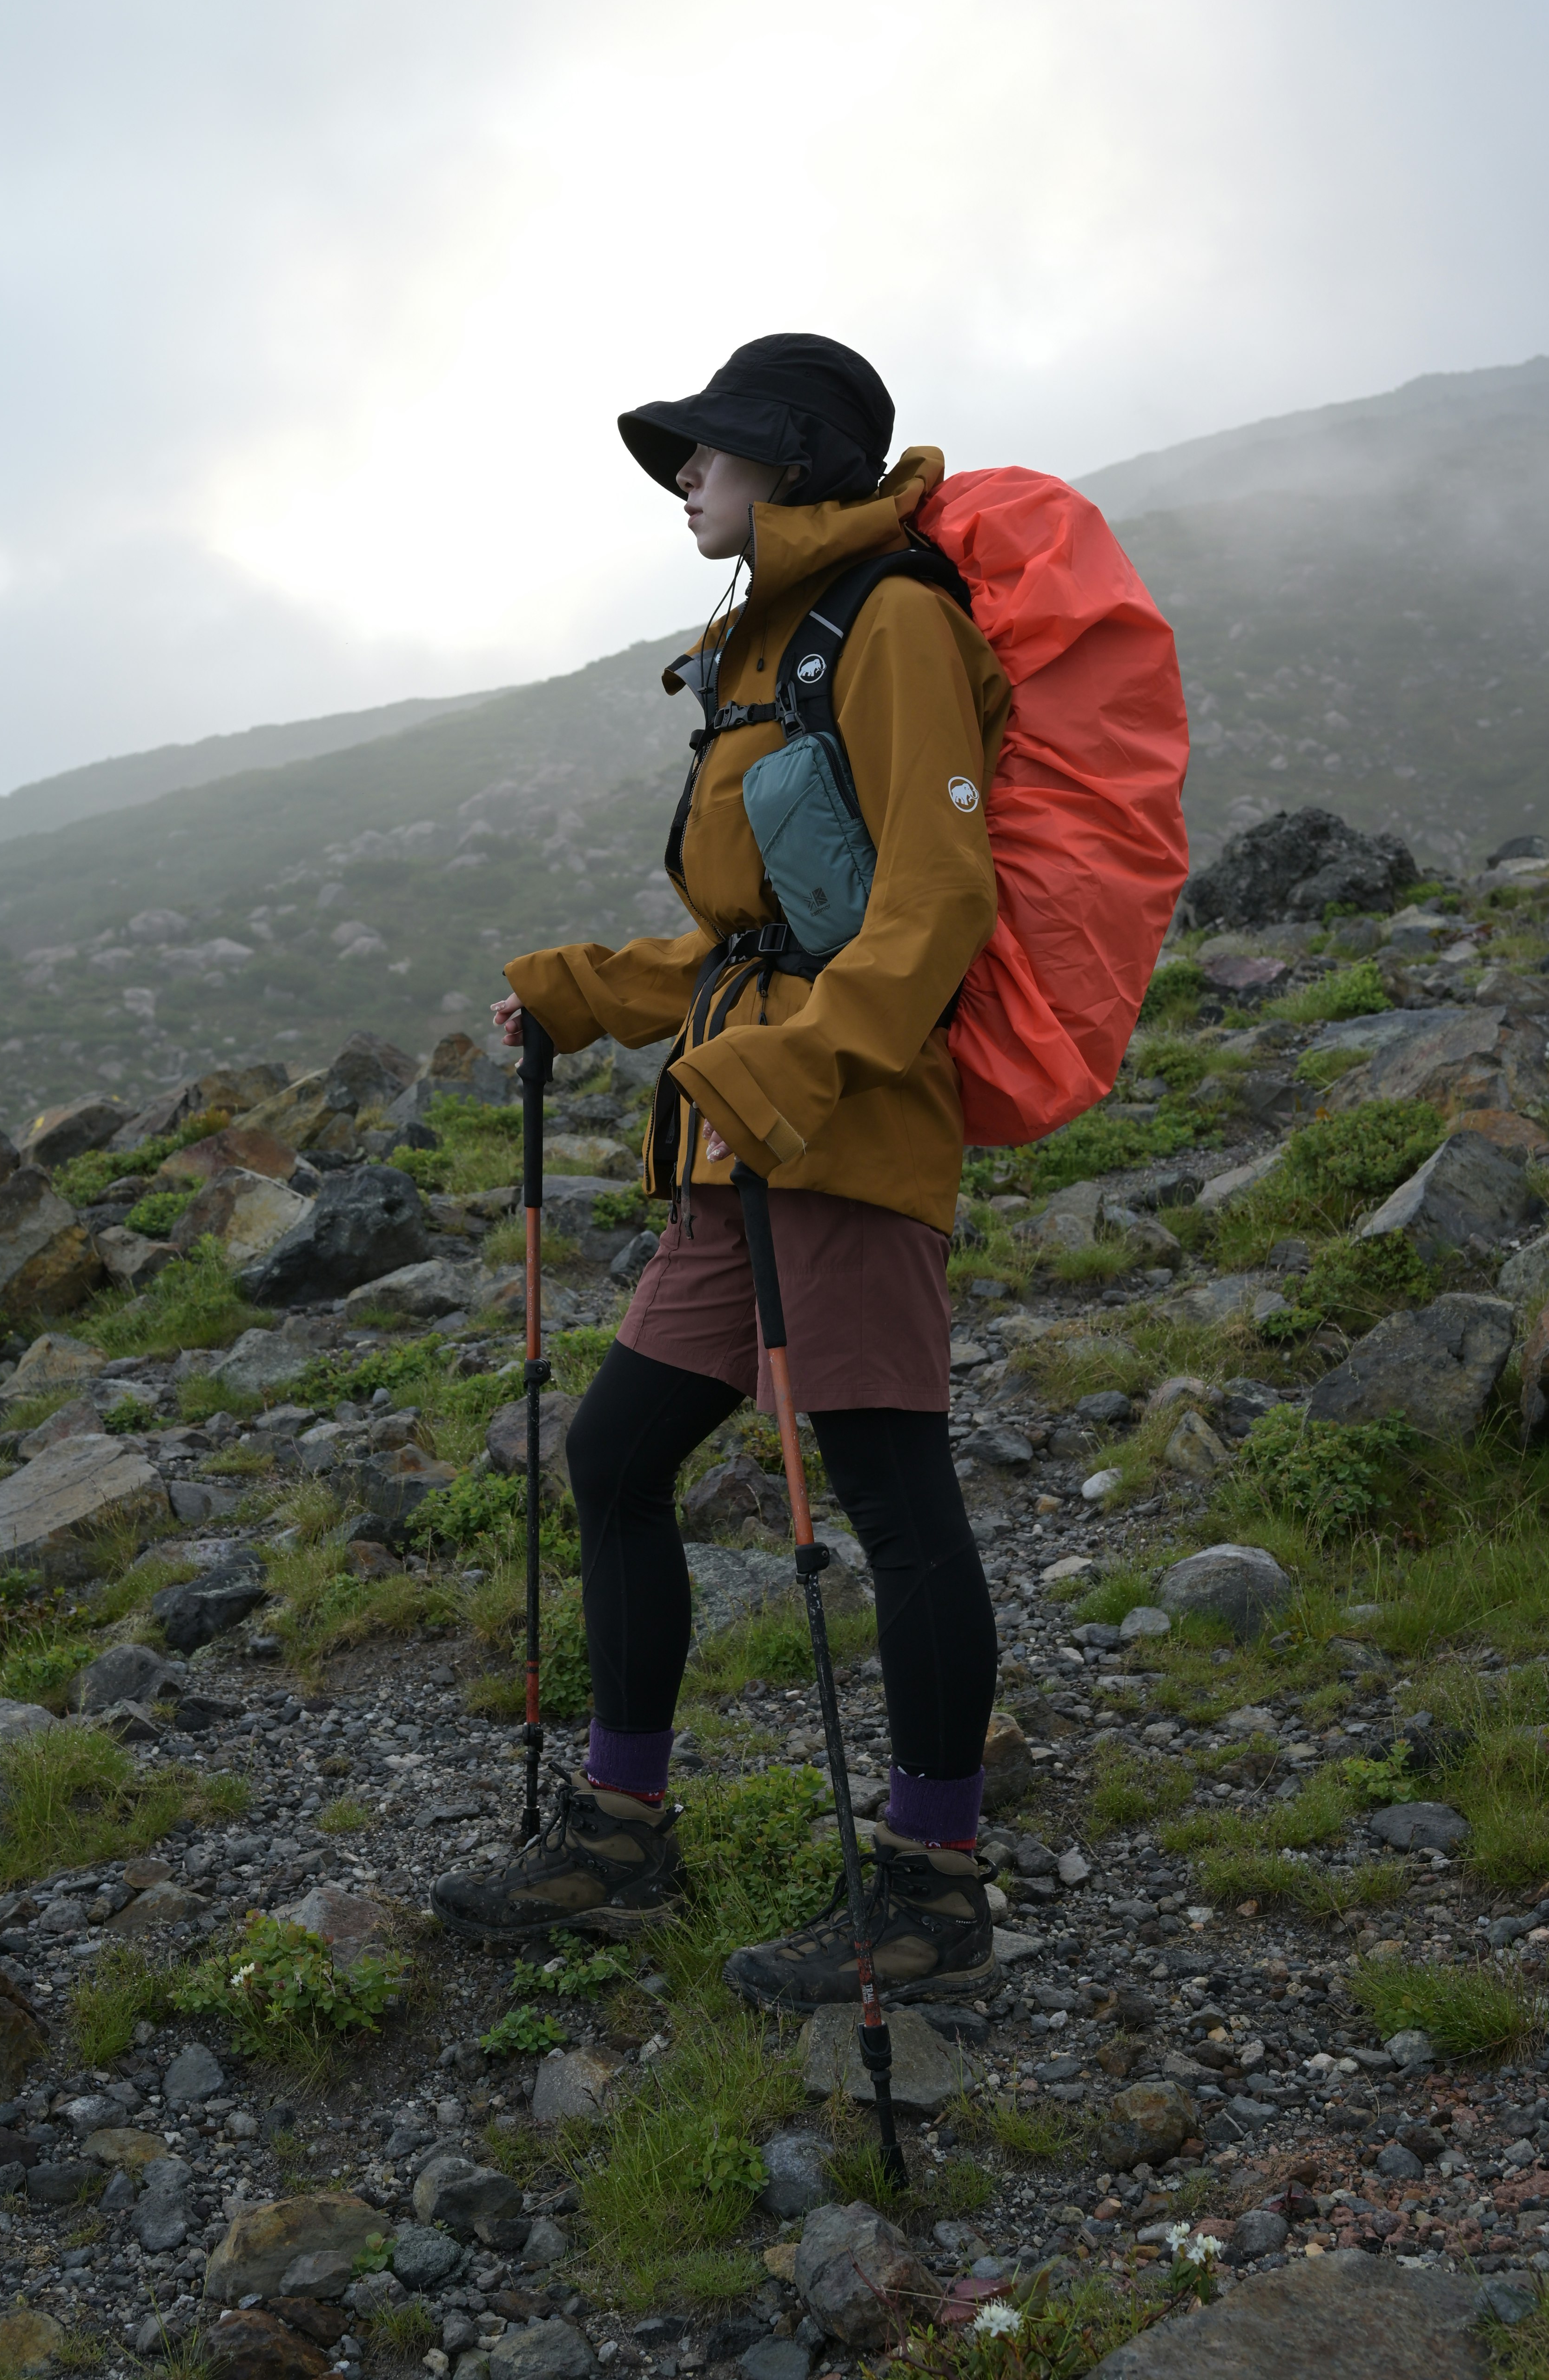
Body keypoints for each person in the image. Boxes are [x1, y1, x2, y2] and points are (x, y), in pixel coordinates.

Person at [431, 333, 1014, 2009]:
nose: (688, 477)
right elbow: (744, 936)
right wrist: (586, 993)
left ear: (794, 460)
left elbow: (931, 906)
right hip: (736, 1137)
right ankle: (621, 1833)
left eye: (712, 452)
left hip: (842, 1130)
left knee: (896, 1506)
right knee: (616, 1459)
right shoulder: (763, 649)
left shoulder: (891, 624)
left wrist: (797, 1067)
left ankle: (932, 1885)